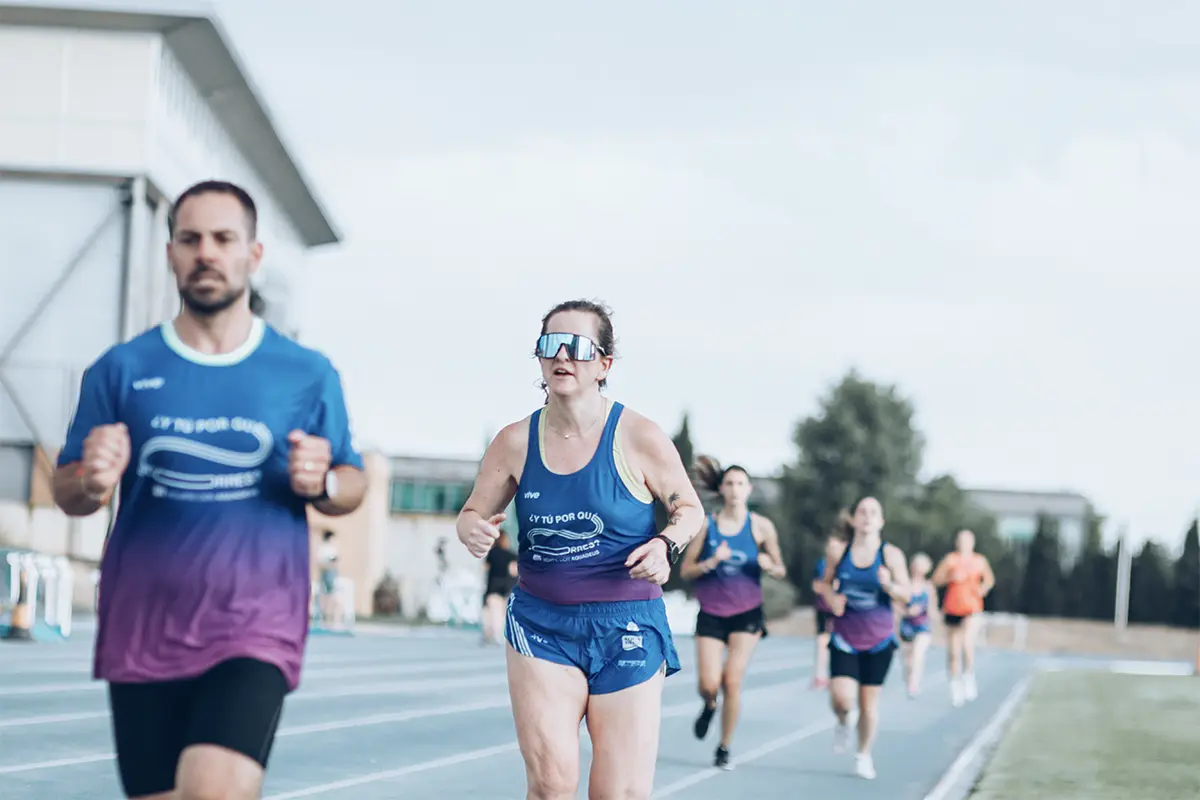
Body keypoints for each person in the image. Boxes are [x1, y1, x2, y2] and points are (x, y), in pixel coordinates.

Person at [51, 180, 366, 800]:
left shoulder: (306, 373)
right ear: (170, 253)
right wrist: (90, 478)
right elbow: (68, 490)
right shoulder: (121, 369)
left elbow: (352, 482)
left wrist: (324, 481)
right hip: (142, 626)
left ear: (254, 254)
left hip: (253, 625)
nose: (207, 253)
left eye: (224, 239)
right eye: (191, 239)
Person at [455, 299, 705, 800]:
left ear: (604, 364)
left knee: (619, 793)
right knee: (551, 785)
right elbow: (471, 513)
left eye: (578, 346)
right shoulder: (514, 442)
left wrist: (665, 545)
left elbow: (690, 510)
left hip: (627, 626)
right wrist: (472, 530)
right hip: (542, 625)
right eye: (551, 344)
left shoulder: (638, 436)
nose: (562, 355)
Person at [679, 456, 786, 770]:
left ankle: (724, 747)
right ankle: (709, 704)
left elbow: (780, 568)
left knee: (732, 681)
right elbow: (686, 570)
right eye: (730, 483)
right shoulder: (707, 525)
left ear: (749, 489)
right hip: (711, 613)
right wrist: (712, 562)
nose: (735, 489)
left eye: (741, 483)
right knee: (708, 684)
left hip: (746, 614)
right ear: (722, 489)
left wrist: (769, 566)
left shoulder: (761, 526)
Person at [816, 496, 911, 781]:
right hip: (845, 636)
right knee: (842, 699)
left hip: (879, 638)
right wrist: (832, 599)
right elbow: (824, 584)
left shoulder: (891, 555)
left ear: (881, 521)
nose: (867, 516)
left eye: (873, 512)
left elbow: (906, 594)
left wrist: (889, 585)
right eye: (862, 511)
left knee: (869, 705)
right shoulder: (838, 551)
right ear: (854, 519)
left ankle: (863, 755)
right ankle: (843, 721)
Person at [931, 529, 995, 707]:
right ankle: (954, 684)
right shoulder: (950, 560)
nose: (964, 544)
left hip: (972, 608)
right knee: (953, 651)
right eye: (961, 540)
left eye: (967, 541)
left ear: (972, 543)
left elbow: (989, 580)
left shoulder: (979, 561)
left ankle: (968, 676)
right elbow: (936, 580)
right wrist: (950, 577)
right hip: (953, 607)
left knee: (967, 642)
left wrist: (981, 590)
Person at [899, 552, 936, 698]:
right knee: (907, 659)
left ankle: (914, 684)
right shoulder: (905, 585)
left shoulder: (928, 587)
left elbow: (932, 608)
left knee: (917, 654)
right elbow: (896, 606)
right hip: (907, 625)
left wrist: (929, 615)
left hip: (923, 626)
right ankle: (909, 680)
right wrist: (907, 612)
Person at [809, 532, 841, 690]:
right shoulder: (821, 564)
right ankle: (819, 676)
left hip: (840, 609)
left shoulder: (846, 563)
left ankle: (836, 676)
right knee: (822, 640)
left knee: (838, 643)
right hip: (823, 607)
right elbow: (816, 586)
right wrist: (827, 589)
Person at [481, 530, 519, 645]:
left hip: (493, 587)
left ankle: (494, 635)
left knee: (493, 611)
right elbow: (514, 572)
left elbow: (485, 569)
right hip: (508, 587)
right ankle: (497, 635)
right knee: (502, 612)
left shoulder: (491, 554)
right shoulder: (511, 555)